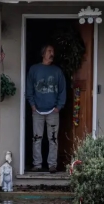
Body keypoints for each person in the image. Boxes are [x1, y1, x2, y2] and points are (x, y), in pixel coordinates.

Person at [26, 44, 66, 173]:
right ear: (43, 54)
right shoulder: (34, 69)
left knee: (53, 139)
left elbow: (62, 90)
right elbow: (29, 88)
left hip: (53, 111)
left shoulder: (57, 71)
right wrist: (32, 105)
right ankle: (37, 164)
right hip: (37, 110)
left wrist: (58, 107)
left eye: (53, 51)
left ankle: (52, 165)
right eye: (49, 51)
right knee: (37, 138)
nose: (52, 53)